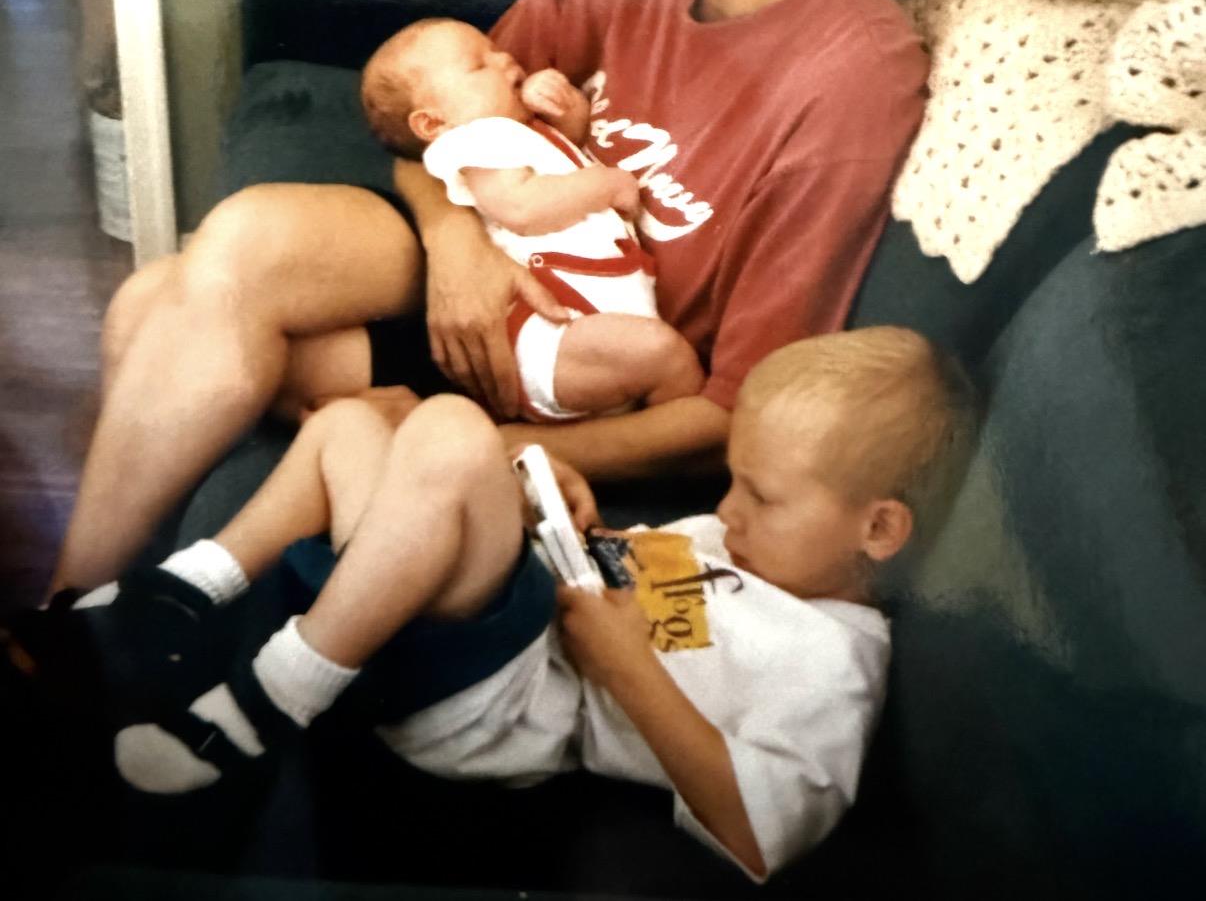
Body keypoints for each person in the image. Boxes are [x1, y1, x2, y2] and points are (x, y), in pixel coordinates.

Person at [43, 0, 930, 605]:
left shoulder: (853, 79)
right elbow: (437, 131)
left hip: (592, 360)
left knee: (157, 306)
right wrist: (456, 244)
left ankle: (78, 621)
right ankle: (85, 618)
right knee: (198, 271)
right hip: (498, 277)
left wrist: (501, 444)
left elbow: (735, 409)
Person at [100, 327, 975, 882]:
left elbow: (762, 833)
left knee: (450, 430)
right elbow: (617, 571)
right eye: (734, 480)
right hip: (495, 610)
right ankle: (185, 590)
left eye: (763, 494)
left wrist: (626, 667)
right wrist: (552, 507)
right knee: (352, 426)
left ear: (880, 527)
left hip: (500, 702)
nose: (727, 507)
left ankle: (267, 700)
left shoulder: (832, 662)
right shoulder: (733, 540)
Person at [360, 16, 704, 422]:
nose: (505, 58)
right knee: (665, 357)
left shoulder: (517, 131)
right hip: (552, 336)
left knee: (651, 361)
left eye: (495, 50)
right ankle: (676, 447)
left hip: (593, 320)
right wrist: (606, 184)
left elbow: (565, 156)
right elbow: (522, 207)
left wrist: (565, 110)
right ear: (434, 123)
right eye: (479, 65)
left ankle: (646, 436)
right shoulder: (475, 140)